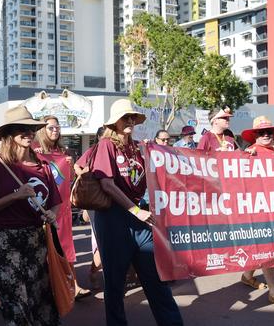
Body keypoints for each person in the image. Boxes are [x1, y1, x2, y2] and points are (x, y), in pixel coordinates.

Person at [92, 99, 183, 326]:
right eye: (126, 117)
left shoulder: (137, 147)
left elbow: (167, 167)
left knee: (156, 280)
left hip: (140, 220)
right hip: (114, 219)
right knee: (114, 285)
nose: (130, 121)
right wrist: (135, 210)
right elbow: (107, 185)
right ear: (115, 123)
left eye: (133, 117)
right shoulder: (105, 146)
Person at [0, 105, 62, 326]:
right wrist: (15, 196)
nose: (28, 133)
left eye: (30, 128)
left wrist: (52, 216)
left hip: (37, 242)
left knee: (41, 303)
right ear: (8, 134)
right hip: (6, 243)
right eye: (20, 129)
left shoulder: (43, 167)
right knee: (16, 307)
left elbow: (55, 203)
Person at [239, 116, 274, 306]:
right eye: (261, 132)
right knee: (268, 248)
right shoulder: (250, 152)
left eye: (268, 132)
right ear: (254, 135)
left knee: (261, 248)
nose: (265, 135)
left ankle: (247, 276)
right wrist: (246, 158)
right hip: (257, 209)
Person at [34, 115, 91, 300]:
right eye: (50, 127)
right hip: (41, 208)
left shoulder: (63, 152)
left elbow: (69, 181)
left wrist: (71, 167)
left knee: (66, 247)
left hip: (62, 208)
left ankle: (73, 285)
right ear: (42, 129)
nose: (55, 130)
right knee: (43, 251)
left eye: (57, 127)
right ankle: (50, 288)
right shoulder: (33, 151)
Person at [74, 126, 105, 290]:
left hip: (115, 201)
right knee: (102, 243)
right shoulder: (93, 151)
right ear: (99, 137)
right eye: (106, 135)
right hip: (96, 201)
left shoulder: (119, 150)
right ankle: (94, 271)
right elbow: (76, 167)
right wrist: (85, 174)